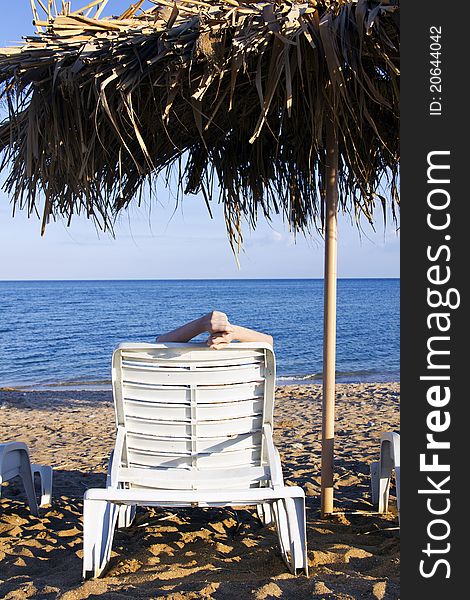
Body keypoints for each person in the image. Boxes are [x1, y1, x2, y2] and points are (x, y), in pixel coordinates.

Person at [156, 311, 273, 350]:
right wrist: (233, 332)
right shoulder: (243, 396)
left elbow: (159, 344)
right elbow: (268, 343)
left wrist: (200, 324)